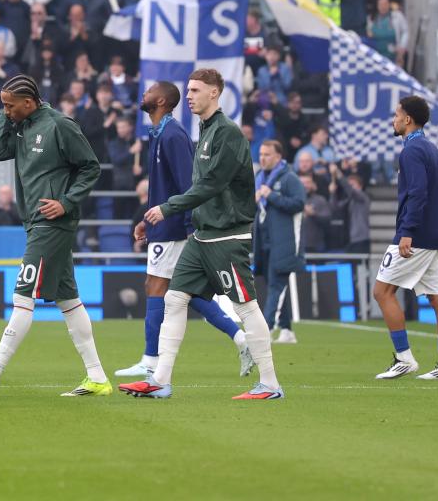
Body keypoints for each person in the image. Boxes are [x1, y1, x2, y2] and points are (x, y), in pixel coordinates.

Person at [119, 68, 284, 400]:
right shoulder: (204, 131)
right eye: (188, 90)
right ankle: (160, 378)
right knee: (175, 299)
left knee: (246, 307)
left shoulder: (227, 133)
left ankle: (270, 384)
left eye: (196, 90)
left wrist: (167, 209)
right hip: (202, 236)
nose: (189, 96)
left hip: (226, 236)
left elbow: (210, 185)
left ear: (215, 93)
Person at [0, 75, 109, 398]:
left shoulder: (60, 126)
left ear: (29, 103)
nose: (6, 111)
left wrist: (66, 202)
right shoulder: (21, 126)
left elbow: (91, 167)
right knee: (69, 300)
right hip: (35, 222)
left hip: (53, 222)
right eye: (3, 106)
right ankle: (97, 377)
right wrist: (6, 115)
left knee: (22, 296)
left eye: (10, 106)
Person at [371, 96, 438, 381]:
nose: (393, 119)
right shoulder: (433, 149)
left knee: (382, 292)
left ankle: (404, 358)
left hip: (416, 235)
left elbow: (418, 193)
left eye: (397, 114)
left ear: (407, 119)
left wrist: (407, 231)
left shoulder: (411, 151)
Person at [253, 138, 306, 345]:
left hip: (285, 242)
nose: (263, 158)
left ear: (278, 157)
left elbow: (299, 203)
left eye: (267, 155)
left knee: (276, 285)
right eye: (261, 154)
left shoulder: (289, 178)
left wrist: (272, 196)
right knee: (273, 283)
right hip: (264, 241)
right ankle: (287, 330)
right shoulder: (259, 177)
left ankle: (264, 331)